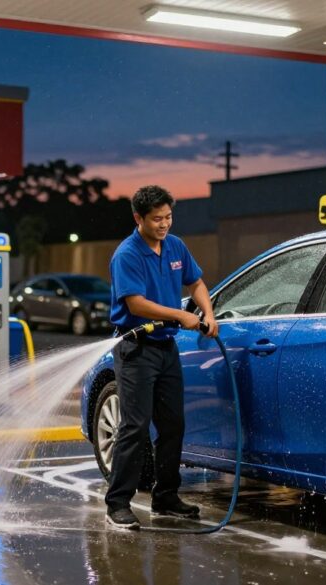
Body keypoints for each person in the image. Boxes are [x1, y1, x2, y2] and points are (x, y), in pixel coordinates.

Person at [104, 185, 218, 531]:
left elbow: (195, 283)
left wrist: (207, 313)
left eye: (168, 216)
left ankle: (165, 497)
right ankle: (117, 504)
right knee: (135, 427)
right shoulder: (127, 254)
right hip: (136, 349)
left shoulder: (175, 246)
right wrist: (179, 315)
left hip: (166, 349)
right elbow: (135, 304)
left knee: (173, 425)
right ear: (138, 218)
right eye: (157, 219)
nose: (164, 224)